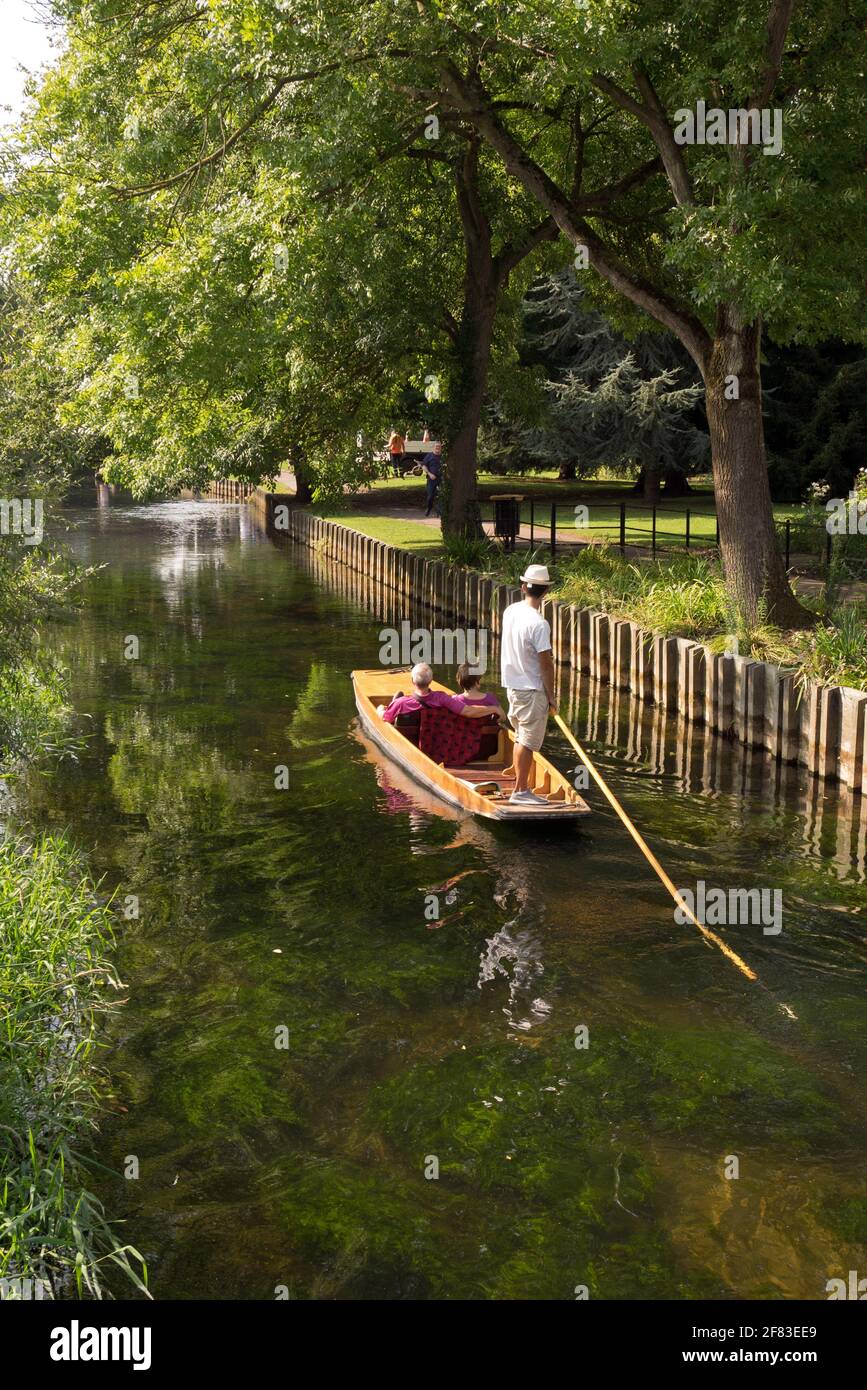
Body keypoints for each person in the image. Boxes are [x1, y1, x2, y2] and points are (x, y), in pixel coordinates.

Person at [500, 563, 557, 805]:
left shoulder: (510, 611)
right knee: (527, 741)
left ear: (524, 587)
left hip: (512, 687)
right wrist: (552, 697)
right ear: (545, 592)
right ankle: (521, 791)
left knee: (521, 736)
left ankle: (519, 784)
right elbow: (546, 665)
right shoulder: (539, 624)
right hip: (532, 690)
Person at [381, 663, 495, 724]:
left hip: (412, 742)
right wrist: (493, 709)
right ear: (430, 681)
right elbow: (467, 710)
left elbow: (385, 717)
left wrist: (380, 709)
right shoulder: (442, 698)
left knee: (394, 701)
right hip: (433, 742)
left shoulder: (402, 703)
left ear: (412, 681)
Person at [421, 441, 442, 517]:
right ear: (434, 447)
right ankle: (429, 508)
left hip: (441, 479)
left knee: (442, 495)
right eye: (436, 447)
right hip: (431, 479)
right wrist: (430, 474)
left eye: (439, 447)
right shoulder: (429, 456)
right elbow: (423, 466)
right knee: (430, 496)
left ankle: (440, 511)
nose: (437, 448)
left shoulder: (443, 456)